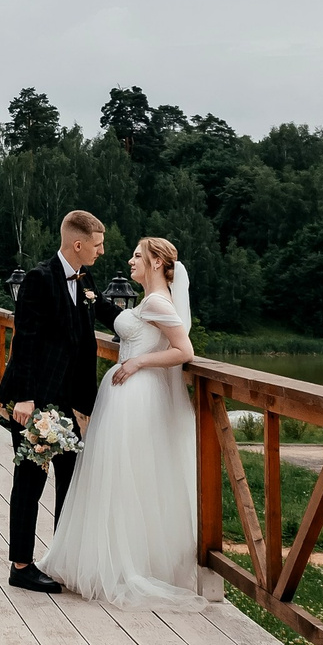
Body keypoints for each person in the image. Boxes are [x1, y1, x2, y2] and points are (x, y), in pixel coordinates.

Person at [38, 235, 204, 610]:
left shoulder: (159, 302)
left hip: (138, 395)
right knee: (115, 477)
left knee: (126, 477)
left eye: (137, 256)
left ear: (157, 263)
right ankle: (106, 559)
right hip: (123, 396)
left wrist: (137, 362)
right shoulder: (149, 301)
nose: (130, 261)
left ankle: (123, 565)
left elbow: (184, 350)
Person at [0, 210, 107, 591]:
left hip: (68, 400)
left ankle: (61, 557)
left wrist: (155, 317)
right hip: (36, 399)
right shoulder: (39, 279)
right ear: (78, 244)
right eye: (97, 244)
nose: (101, 251)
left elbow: (107, 312)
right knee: (30, 479)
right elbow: (24, 338)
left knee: (71, 480)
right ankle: (21, 566)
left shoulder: (85, 277)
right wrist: (24, 399)